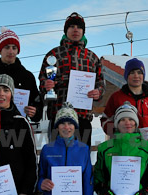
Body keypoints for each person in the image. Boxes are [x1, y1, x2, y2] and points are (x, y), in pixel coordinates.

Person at [39, 12, 105, 146]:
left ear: (83, 32)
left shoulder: (92, 57)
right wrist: (46, 85)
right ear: (66, 30)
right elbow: (42, 80)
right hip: (58, 116)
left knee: (80, 160)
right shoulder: (54, 54)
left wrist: (98, 92)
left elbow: (100, 82)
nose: (76, 30)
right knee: (57, 160)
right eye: (72, 26)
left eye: (79, 27)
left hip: (83, 117)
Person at [0, 27, 43, 122]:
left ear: (18, 51)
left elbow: (37, 101)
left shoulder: (27, 76)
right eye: (7, 47)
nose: (11, 51)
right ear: (0, 50)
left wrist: (35, 112)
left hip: (17, 127)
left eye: (14, 48)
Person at [101, 58, 148, 143]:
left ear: (143, 75)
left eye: (139, 72)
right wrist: (117, 131)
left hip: (145, 145)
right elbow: (105, 120)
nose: (136, 76)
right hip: (123, 145)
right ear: (126, 76)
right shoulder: (116, 97)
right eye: (132, 73)